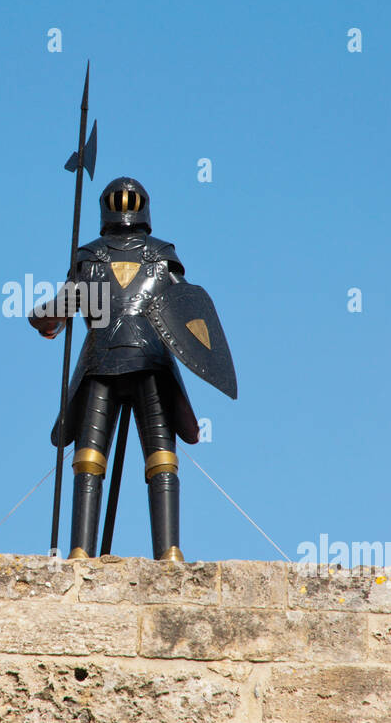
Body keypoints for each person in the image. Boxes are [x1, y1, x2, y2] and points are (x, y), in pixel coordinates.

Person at [30, 175, 236, 561]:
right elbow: (183, 305)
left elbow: (57, 312)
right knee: (160, 456)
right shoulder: (161, 256)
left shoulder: (88, 257)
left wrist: (41, 319)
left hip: (101, 362)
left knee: (89, 457)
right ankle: (170, 551)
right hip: (151, 361)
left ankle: (80, 551)